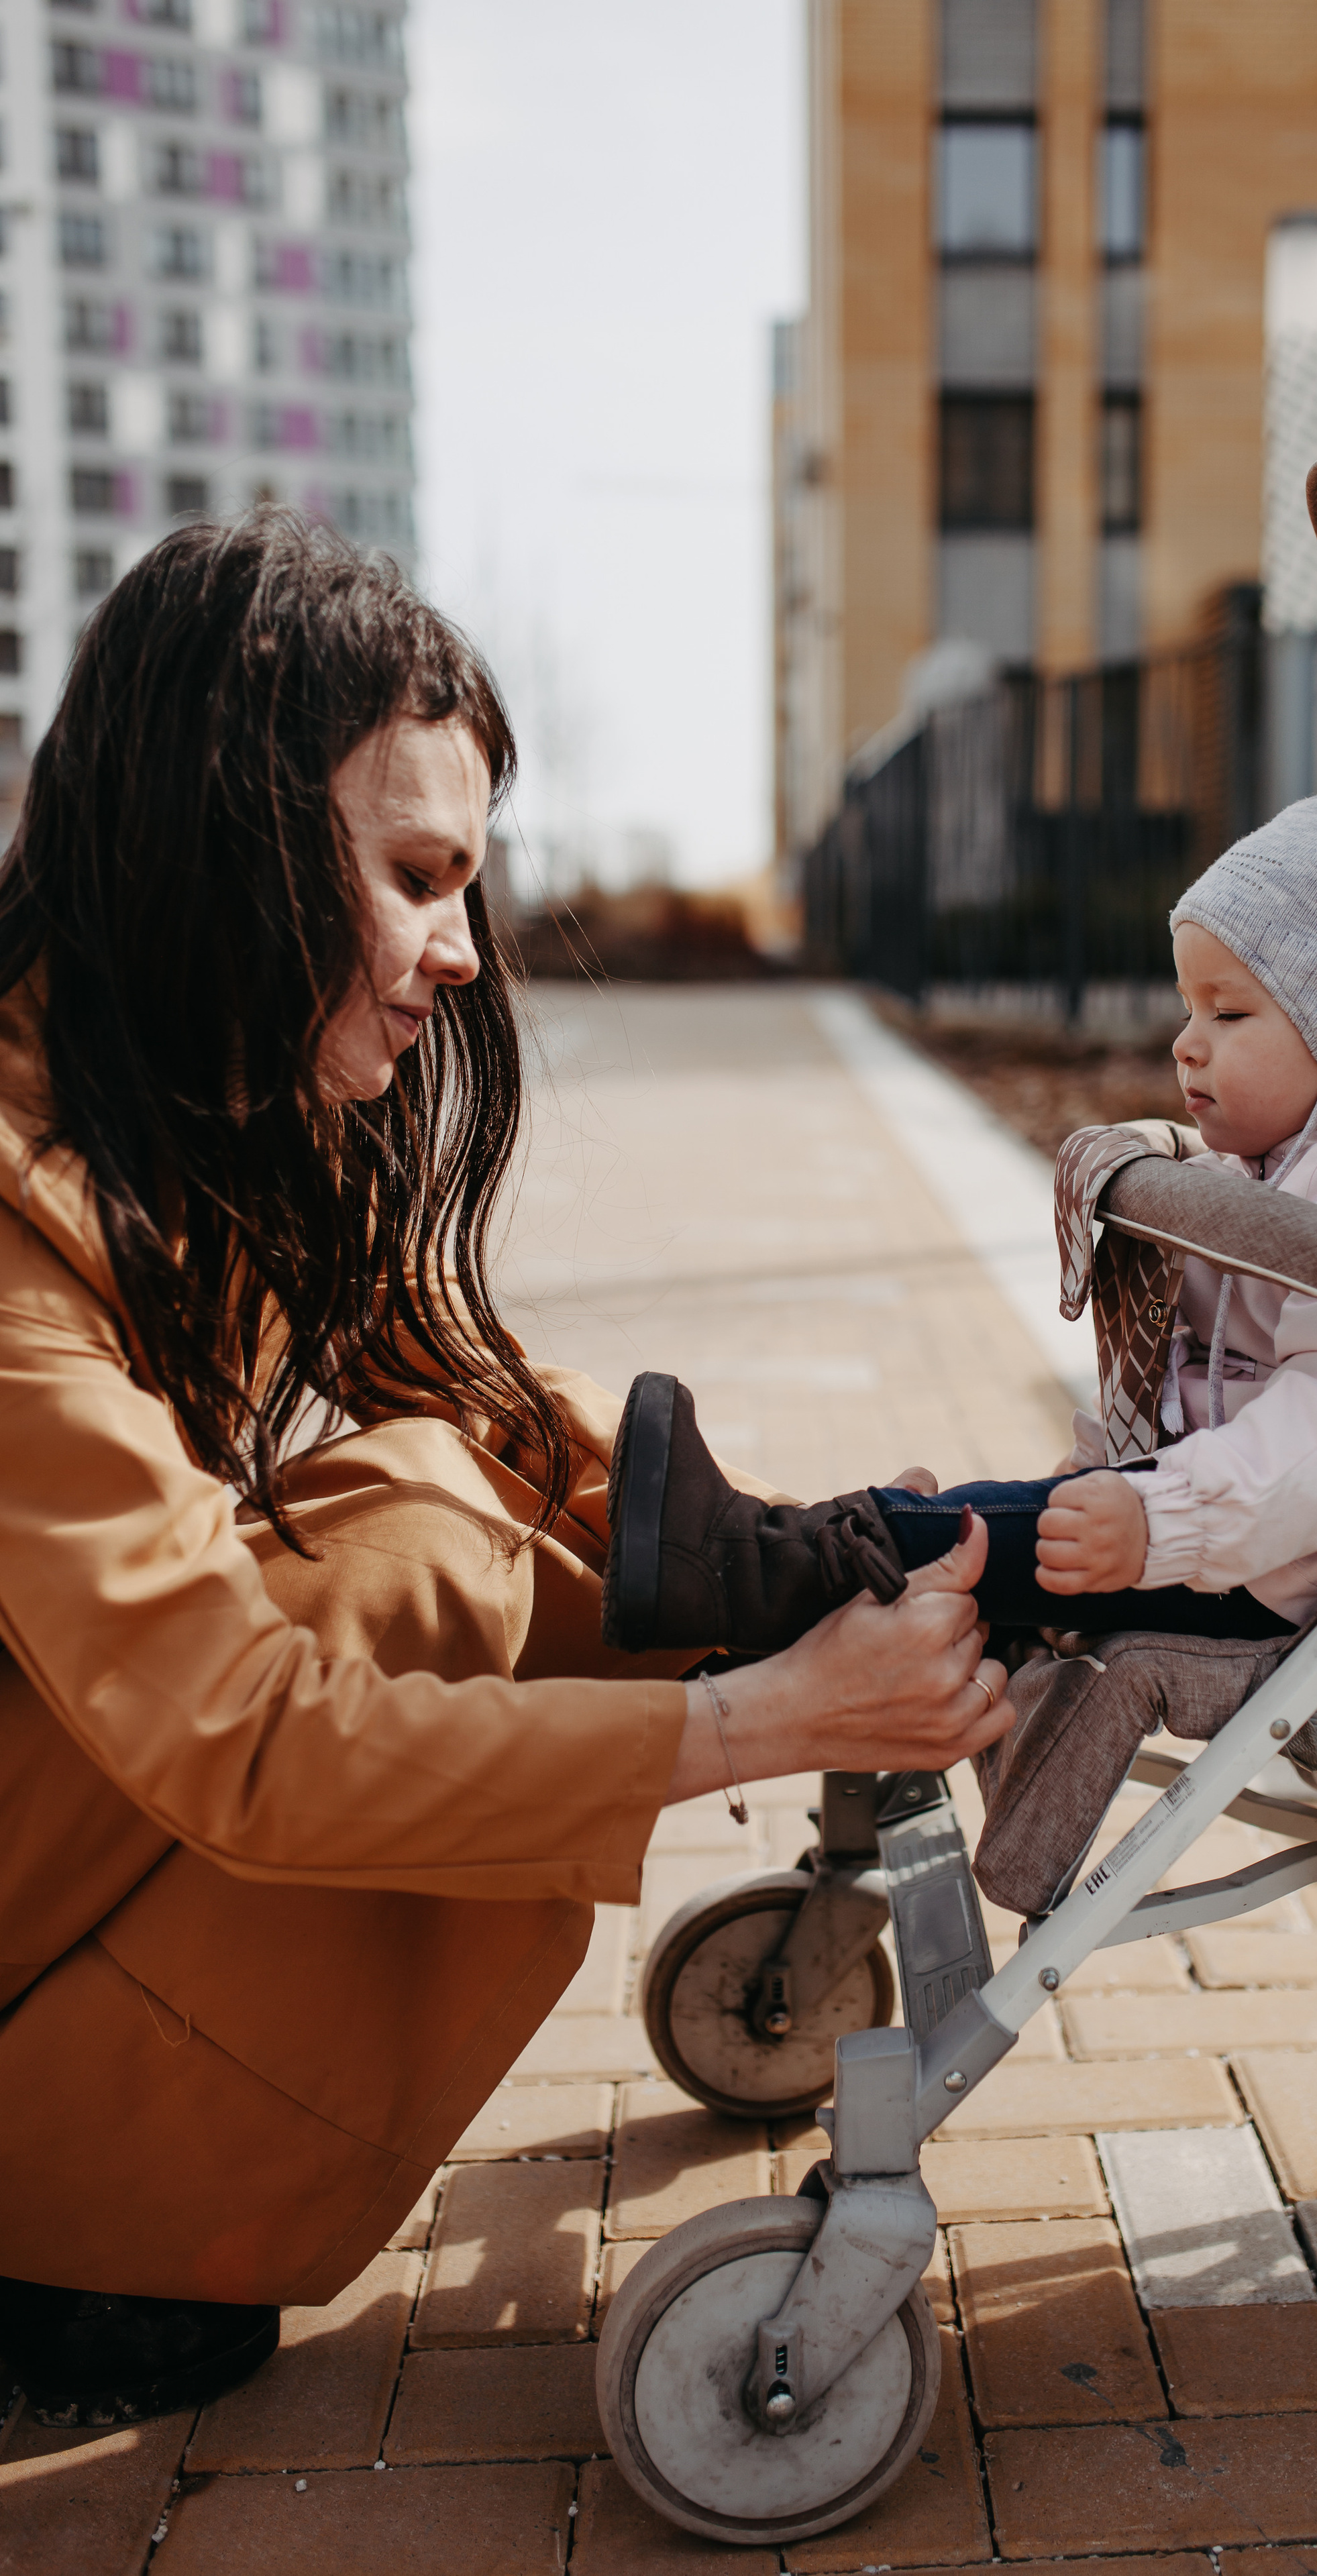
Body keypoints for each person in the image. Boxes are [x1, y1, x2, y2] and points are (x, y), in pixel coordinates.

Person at [0, 513, 1012, 2430]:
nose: (463, 952)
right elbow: (243, 1737)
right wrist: (757, 1718)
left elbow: (443, 1375)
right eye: (413, 877)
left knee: (417, 1521)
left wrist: (789, 1567)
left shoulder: (176, 1095)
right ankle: (70, 2238)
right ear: (230, 842)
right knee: (421, 1585)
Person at [604, 762, 1317, 1651]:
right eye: (1189, 1008)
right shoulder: (1304, 1162)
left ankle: (742, 1568)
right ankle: (783, 1587)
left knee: (988, 1540)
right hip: (1230, 1529)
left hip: (1283, 1566)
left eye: (1230, 1015)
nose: (1187, 1045)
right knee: (1009, 1529)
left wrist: (1163, 1519)